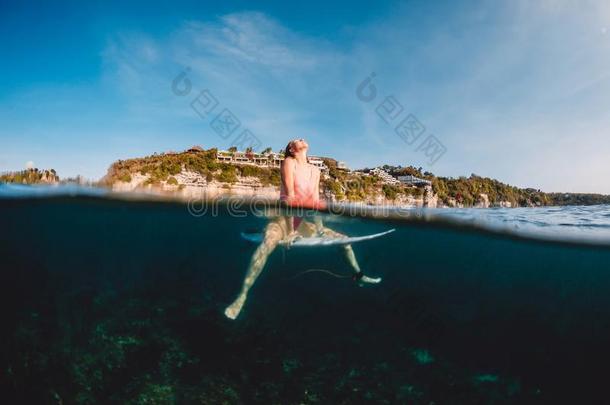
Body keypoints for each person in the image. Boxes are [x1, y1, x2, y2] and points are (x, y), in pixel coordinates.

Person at [224, 138, 381, 320]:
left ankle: (358, 275)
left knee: (344, 240)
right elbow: (290, 198)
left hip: (303, 223)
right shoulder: (289, 163)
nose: (302, 139)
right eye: (297, 139)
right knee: (267, 244)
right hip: (282, 221)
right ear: (292, 149)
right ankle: (242, 295)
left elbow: (314, 202)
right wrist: (290, 231)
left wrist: (321, 228)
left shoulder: (315, 170)